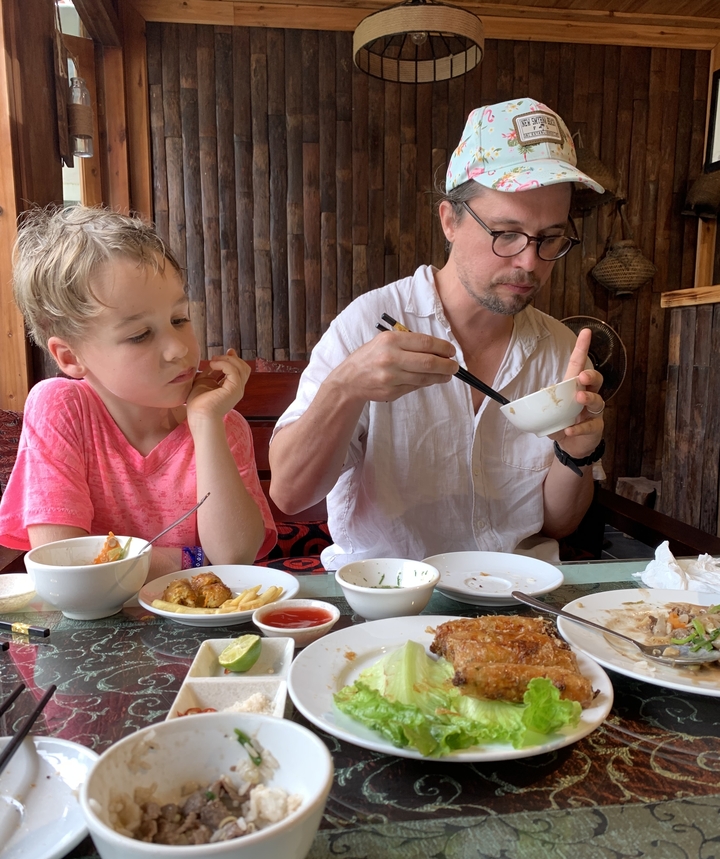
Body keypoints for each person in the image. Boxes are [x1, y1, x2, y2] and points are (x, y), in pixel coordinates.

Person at [269, 98, 607, 569]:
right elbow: (289, 493)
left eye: (549, 238)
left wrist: (578, 453)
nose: (529, 262)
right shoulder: (370, 324)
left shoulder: (562, 353)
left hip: (513, 603)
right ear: (450, 220)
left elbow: (558, 525)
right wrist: (345, 388)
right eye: (506, 233)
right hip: (388, 598)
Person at [0, 205, 276, 579]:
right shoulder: (61, 408)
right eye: (140, 335)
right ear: (70, 356)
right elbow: (61, 562)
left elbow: (234, 556)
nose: (179, 348)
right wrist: (194, 560)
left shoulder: (222, 425)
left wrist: (206, 423)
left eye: (180, 319)